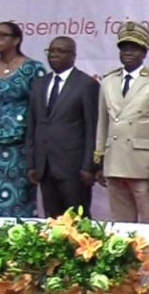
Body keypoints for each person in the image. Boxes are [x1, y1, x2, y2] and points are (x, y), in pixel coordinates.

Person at [94, 21, 149, 224]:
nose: (128, 52)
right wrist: (99, 158)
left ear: (144, 52)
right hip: (114, 159)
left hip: (143, 162)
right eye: (124, 47)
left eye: (134, 48)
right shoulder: (108, 81)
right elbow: (102, 123)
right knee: (120, 223)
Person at [0, 21, 46, 217]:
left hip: (23, 144)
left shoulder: (33, 68)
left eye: (2, 35)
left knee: (22, 196)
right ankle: (1, 233)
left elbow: (41, 110)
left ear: (16, 40)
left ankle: (22, 233)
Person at [25, 37, 99, 218]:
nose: (54, 55)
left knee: (78, 220)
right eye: (51, 51)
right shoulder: (39, 84)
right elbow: (33, 125)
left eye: (61, 51)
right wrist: (32, 164)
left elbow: (92, 128)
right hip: (45, 165)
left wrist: (89, 166)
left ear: (73, 56)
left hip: (74, 167)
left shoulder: (86, 84)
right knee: (52, 221)